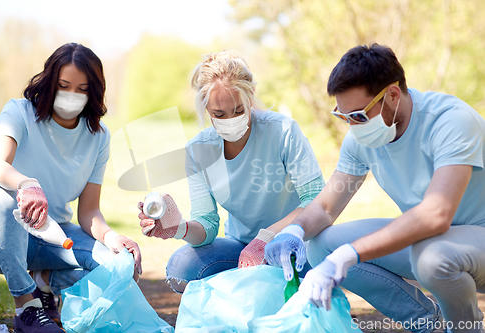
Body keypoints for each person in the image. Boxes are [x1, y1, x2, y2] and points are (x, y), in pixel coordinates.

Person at [265, 43, 485, 333]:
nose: (352, 127)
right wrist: (295, 230)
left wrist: (350, 254)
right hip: (430, 239)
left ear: (392, 95)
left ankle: (465, 329)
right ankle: (428, 324)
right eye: (343, 117)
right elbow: (327, 206)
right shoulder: (362, 139)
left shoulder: (450, 121)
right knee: (322, 245)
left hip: (472, 237)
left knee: (432, 257)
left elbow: (436, 215)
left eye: (357, 116)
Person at [0, 43, 142, 333]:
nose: (72, 95)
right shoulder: (18, 111)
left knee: (120, 266)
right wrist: (26, 184)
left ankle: (46, 281)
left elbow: (90, 210)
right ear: (49, 82)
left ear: (93, 91)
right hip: (0, 239)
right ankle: (27, 306)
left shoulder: (99, 136)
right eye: (64, 85)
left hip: (56, 237)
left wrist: (111, 237)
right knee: (0, 196)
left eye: (82, 89)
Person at [137, 50, 325, 293]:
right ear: (206, 110)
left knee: (288, 289)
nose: (231, 120)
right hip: (242, 247)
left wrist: (267, 238)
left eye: (238, 110)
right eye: (219, 114)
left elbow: (316, 198)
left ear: (250, 97)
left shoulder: (283, 131)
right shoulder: (199, 150)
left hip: (296, 243)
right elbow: (207, 226)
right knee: (181, 267)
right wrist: (179, 227)